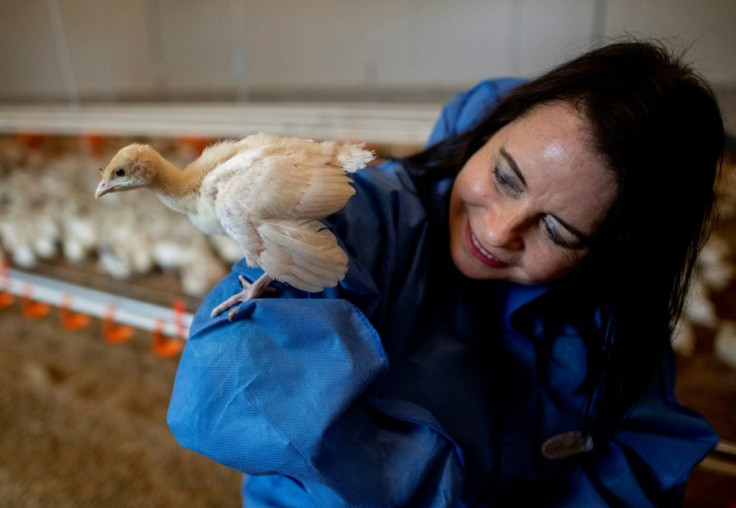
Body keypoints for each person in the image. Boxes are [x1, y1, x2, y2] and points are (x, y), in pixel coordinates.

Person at [167, 40, 725, 506]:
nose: (500, 230)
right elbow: (225, 391)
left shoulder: (613, 312)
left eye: (558, 232)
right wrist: (429, 483)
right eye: (505, 178)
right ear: (488, 131)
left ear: (615, 253)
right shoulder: (370, 224)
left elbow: (640, 451)